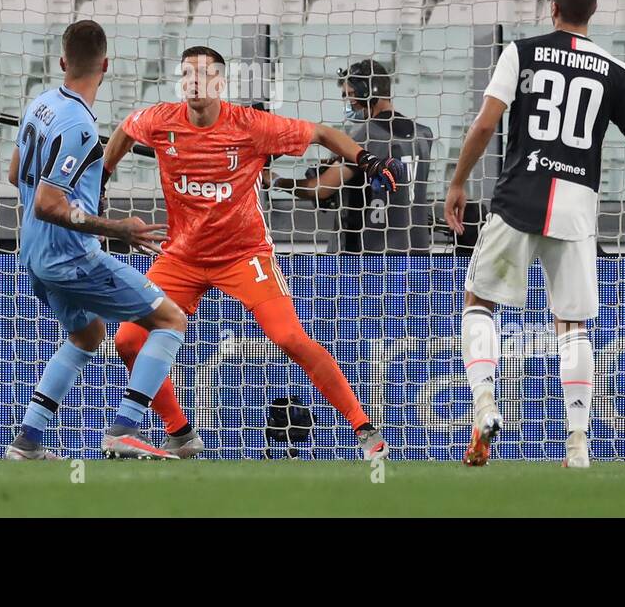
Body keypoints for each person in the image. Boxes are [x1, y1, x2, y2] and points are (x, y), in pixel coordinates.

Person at [101, 45, 404, 460]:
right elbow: (124, 129)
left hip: (244, 256)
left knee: (289, 337)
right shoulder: (161, 120)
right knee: (127, 340)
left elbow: (320, 133)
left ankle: (365, 430)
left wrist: (368, 160)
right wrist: (101, 176)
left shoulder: (250, 125)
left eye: (205, 74)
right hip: (181, 257)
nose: (194, 81)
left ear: (220, 83)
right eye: (187, 74)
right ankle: (180, 434)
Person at [444, 0, 625, 468]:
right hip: (575, 209)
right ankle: (577, 445)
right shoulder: (614, 68)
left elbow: (486, 123)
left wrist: (459, 182)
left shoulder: (520, 52)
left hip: (517, 199)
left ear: (552, 6)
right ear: (593, 11)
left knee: (479, 301)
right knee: (572, 324)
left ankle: (485, 403)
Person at [4, 21, 189, 460]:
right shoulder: (79, 126)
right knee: (170, 319)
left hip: (33, 252)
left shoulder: (42, 104)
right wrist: (116, 228)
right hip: (70, 256)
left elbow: (15, 175)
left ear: (63, 61)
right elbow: (48, 203)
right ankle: (124, 429)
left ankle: (27, 441)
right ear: (106, 65)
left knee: (88, 335)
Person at [269, 59, 435, 252]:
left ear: (368, 91)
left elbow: (321, 189)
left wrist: (277, 181)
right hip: (417, 252)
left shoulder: (366, 135)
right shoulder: (423, 134)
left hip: (369, 257)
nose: (348, 103)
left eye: (351, 95)